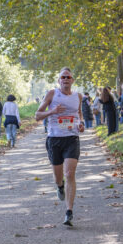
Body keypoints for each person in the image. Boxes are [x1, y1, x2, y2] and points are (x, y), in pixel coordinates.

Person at [35, 67, 84, 226]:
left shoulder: (78, 96)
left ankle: (69, 211)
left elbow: (79, 113)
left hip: (71, 137)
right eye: (63, 77)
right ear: (59, 80)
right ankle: (60, 186)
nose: (65, 79)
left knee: (69, 173)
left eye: (68, 77)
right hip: (54, 139)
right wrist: (53, 111)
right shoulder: (52, 94)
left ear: (72, 80)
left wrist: (81, 123)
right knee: (58, 177)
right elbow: (37, 115)